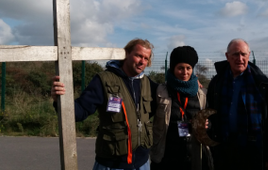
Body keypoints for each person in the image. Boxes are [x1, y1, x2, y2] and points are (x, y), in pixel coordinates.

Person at [51, 38, 158, 170]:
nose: (142, 61)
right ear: (126, 55)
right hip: (111, 164)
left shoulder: (148, 84)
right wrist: (60, 99)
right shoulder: (104, 80)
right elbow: (80, 112)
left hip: (142, 164)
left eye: (146, 58)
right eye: (138, 55)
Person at [206, 38, 268, 170]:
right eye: (235, 54)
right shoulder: (217, 82)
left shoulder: (263, 85)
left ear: (249, 55)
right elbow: (210, 111)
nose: (240, 58)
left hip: (253, 150)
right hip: (223, 149)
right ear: (227, 56)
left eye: (243, 54)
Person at [150, 46, 210, 170]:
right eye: (180, 68)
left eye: (188, 68)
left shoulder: (202, 94)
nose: (185, 72)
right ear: (173, 68)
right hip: (166, 157)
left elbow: (211, 120)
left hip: (195, 156)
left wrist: (207, 124)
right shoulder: (159, 91)